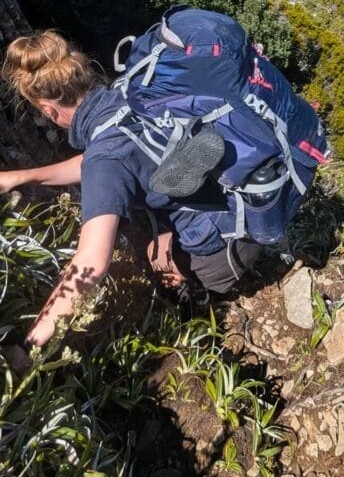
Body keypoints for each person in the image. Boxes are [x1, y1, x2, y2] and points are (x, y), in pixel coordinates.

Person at [0, 30, 263, 350]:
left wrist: (29, 346)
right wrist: (23, 177)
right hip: (250, 204)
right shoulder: (128, 92)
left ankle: (196, 302)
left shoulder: (104, 159)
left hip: (228, 249)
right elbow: (104, 160)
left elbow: (91, 264)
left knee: (153, 253)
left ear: (48, 110)